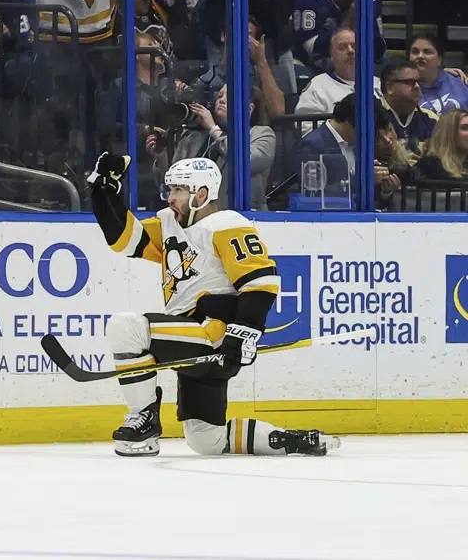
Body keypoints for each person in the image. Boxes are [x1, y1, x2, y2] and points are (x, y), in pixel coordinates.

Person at [86, 151, 342, 458]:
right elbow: (123, 239)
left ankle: (145, 420)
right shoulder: (169, 223)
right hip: (188, 337)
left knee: (126, 328)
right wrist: (103, 189)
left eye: (179, 190)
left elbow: (261, 282)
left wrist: (242, 334)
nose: (171, 197)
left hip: (212, 335)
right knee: (205, 439)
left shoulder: (227, 224)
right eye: (171, 190)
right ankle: (290, 440)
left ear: (202, 194)